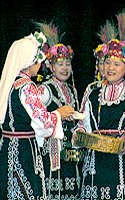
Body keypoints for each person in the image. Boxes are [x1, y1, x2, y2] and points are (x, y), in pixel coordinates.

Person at [72, 10, 125, 200]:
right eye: (108, 62)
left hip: (124, 162)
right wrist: (78, 135)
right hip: (95, 163)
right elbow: (82, 123)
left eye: (117, 64)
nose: (111, 68)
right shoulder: (92, 92)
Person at [0, 31, 75, 199]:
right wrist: (59, 113)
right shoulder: (27, 86)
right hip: (24, 151)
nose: (40, 64)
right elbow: (44, 123)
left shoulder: (9, 83)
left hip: (6, 147)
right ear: (30, 61)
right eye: (38, 60)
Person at [36, 21, 86, 199]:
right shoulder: (45, 89)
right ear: (50, 66)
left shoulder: (72, 90)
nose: (65, 68)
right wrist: (57, 116)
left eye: (67, 63)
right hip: (52, 151)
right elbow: (37, 119)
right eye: (60, 64)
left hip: (71, 151)